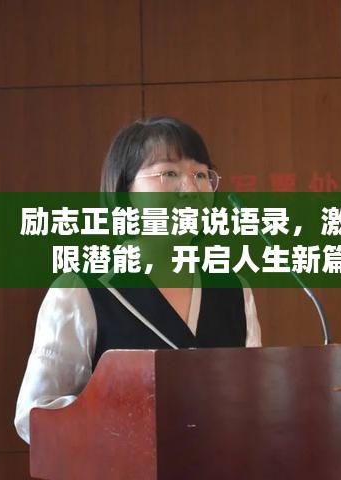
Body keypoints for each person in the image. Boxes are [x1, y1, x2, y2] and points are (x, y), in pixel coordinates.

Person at [14, 116, 262, 444]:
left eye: (201, 175)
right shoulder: (82, 289)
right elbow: (35, 416)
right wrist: (128, 415)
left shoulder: (233, 289)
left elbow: (253, 399)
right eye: (169, 173)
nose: (191, 189)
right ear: (126, 191)